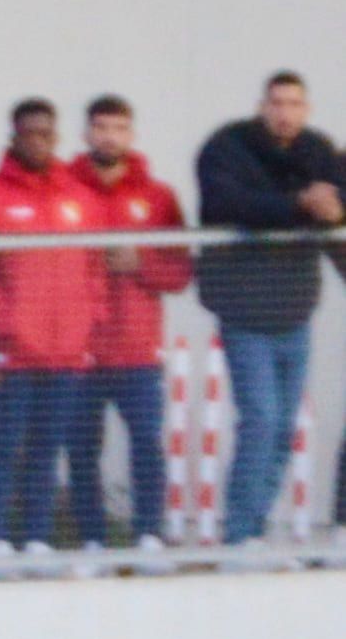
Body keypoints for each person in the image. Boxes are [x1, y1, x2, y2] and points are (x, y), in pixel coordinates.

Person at [192, 74, 344, 545]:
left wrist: (332, 212)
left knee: (282, 427)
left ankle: (254, 523)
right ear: (262, 105)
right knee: (259, 418)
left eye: (294, 104)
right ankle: (240, 534)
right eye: (277, 103)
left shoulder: (319, 151)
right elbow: (226, 202)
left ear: (307, 108)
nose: (285, 113)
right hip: (245, 311)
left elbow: (336, 213)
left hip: (295, 311)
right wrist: (300, 203)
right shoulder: (227, 146)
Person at [0, 100, 101, 553]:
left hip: (65, 349)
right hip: (12, 352)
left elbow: (96, 265)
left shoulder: (78, 199)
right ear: (14, 137)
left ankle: (37, 538)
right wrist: (3, 325)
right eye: (30, 133)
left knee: (47, 449)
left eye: (47, 134)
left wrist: (88, 321)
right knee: (3, 448)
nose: (38, 142)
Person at [70, 98, 192, 554]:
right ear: (85, 133)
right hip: (78, 346)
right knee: (81, 449)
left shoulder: (157, 197)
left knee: (146, 444)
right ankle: (92, 541)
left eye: (119, 128)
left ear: (132, 135)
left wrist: (141, 263)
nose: (109, 136)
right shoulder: (64, 189)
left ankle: (148, 536)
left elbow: (180, 272)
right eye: (100, 127)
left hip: (137, 348)